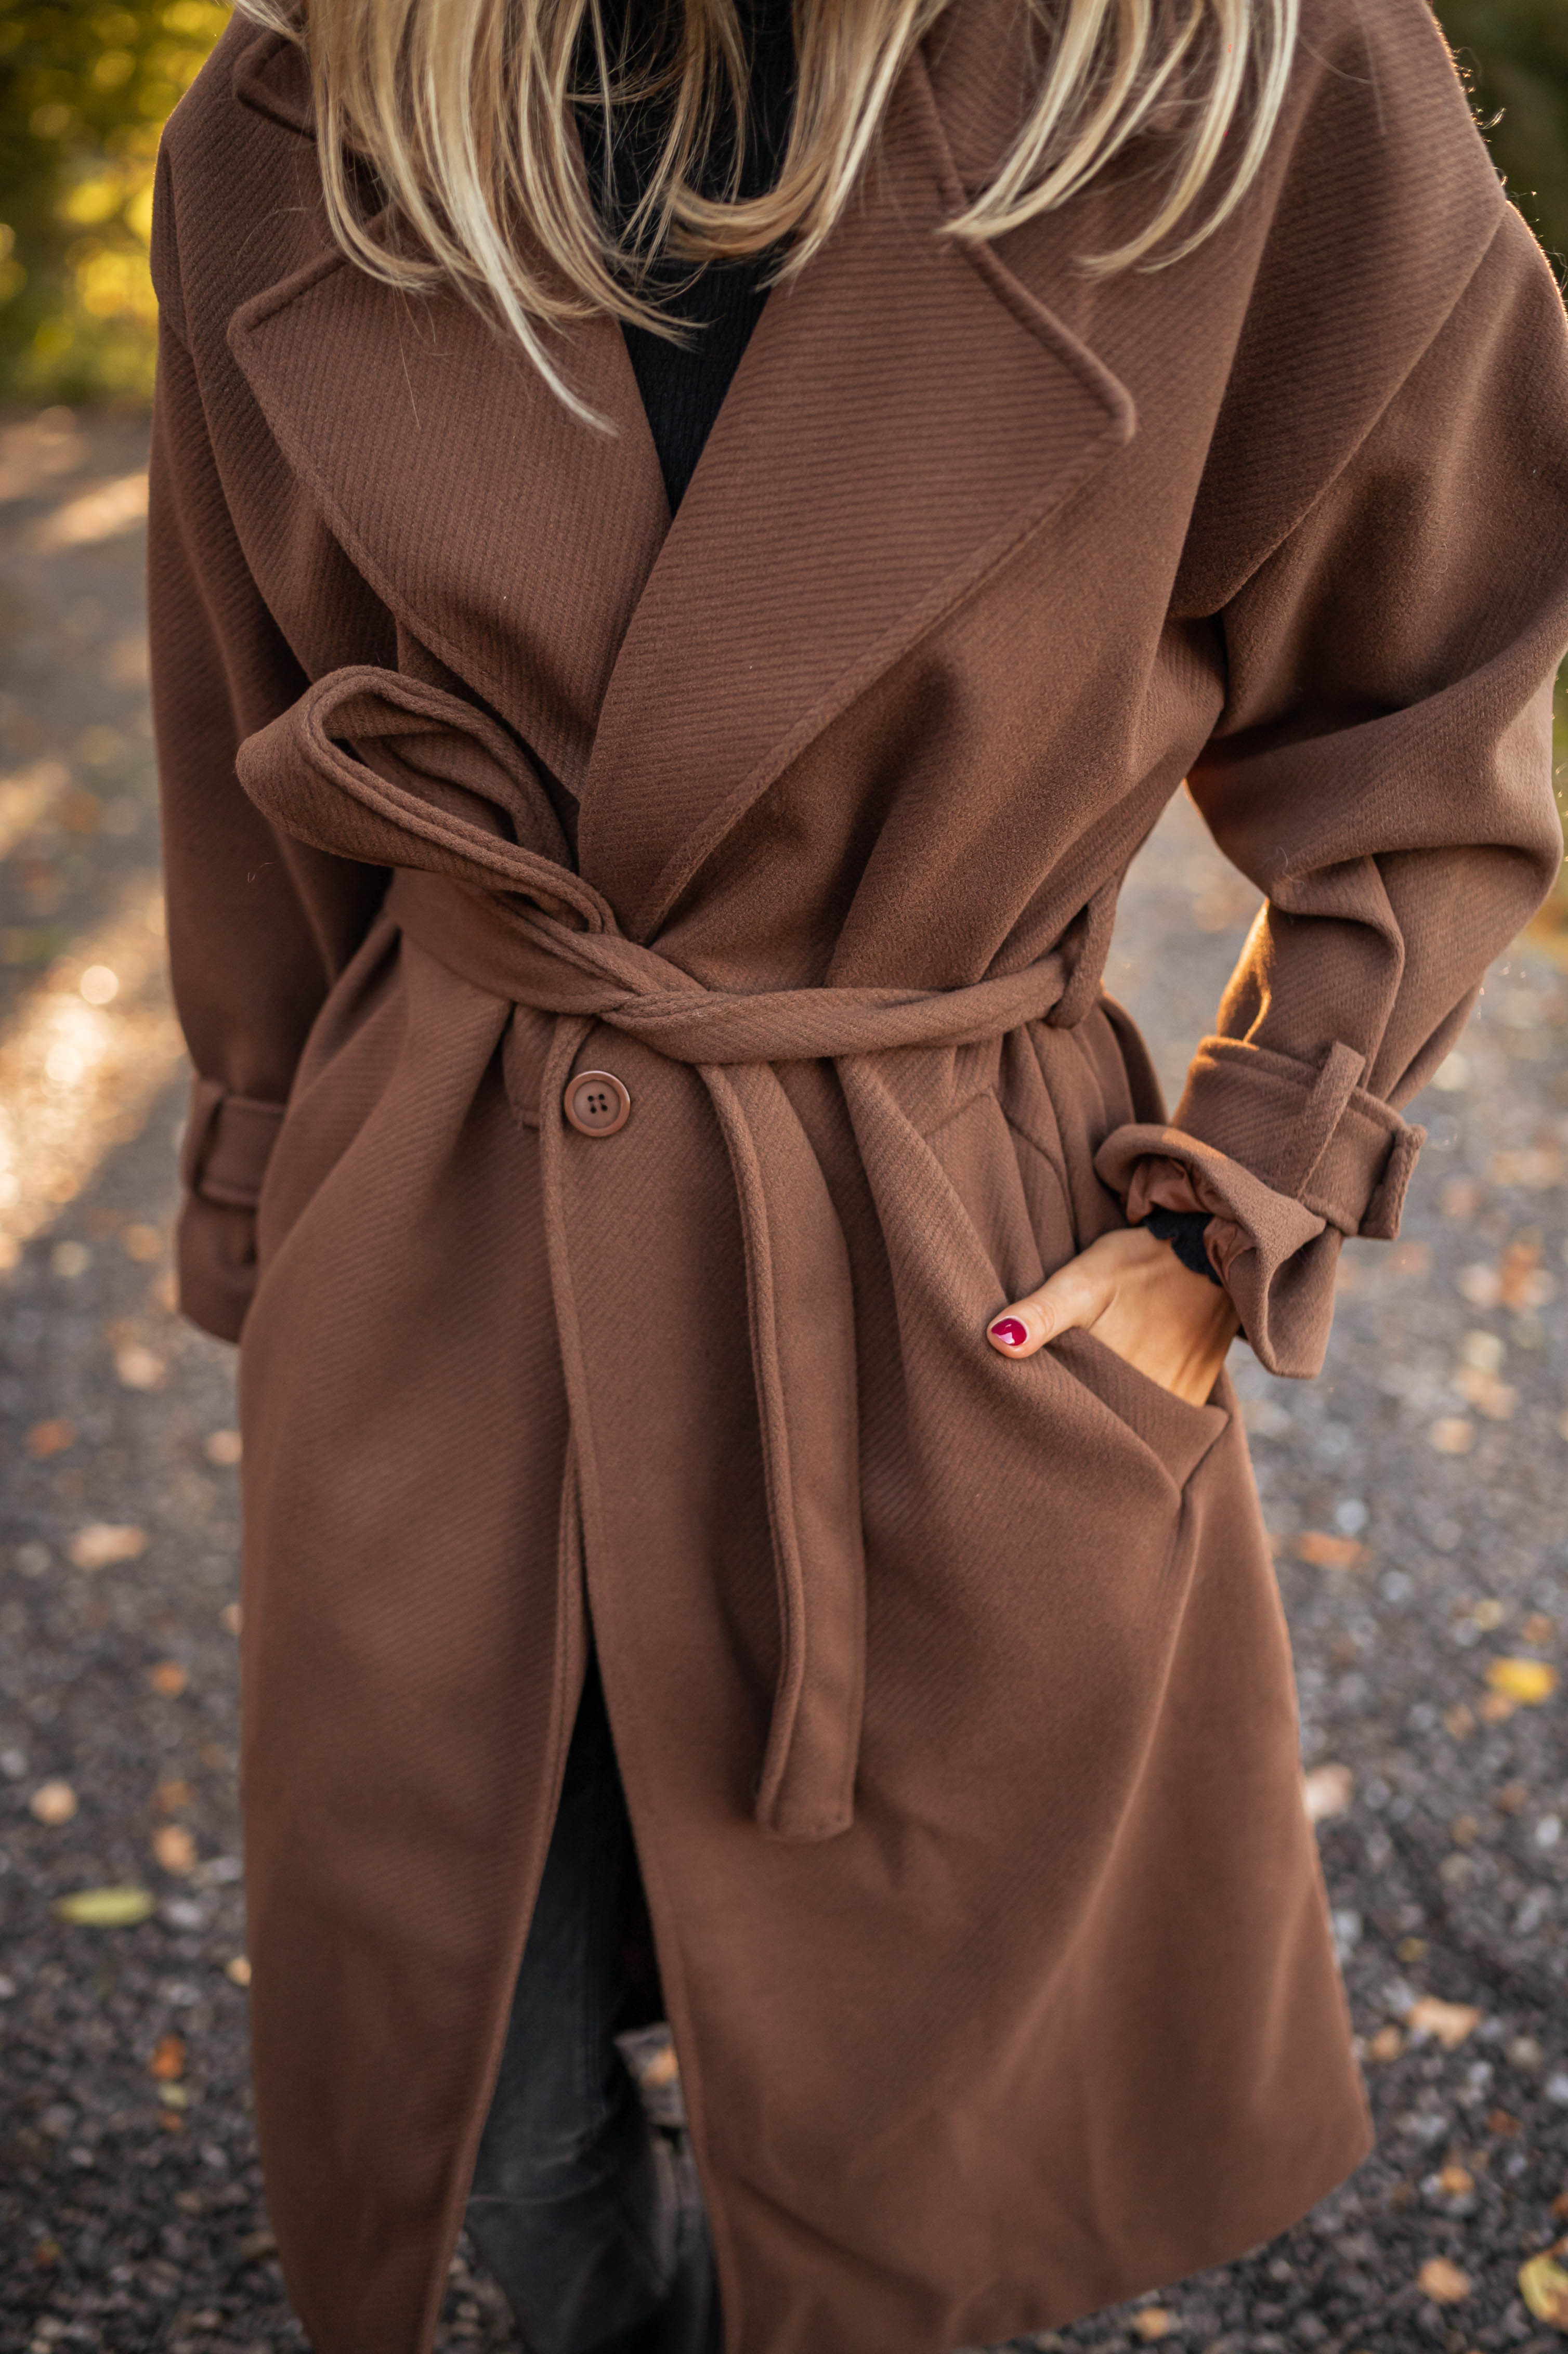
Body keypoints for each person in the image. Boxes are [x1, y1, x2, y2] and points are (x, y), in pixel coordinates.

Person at [146, 0, 1568, 2345]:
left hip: (942, 1269)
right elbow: (236, 742)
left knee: (904, 2157)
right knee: (489, 2115)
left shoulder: (1236, 70)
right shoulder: (297, 111)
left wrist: (1232, 1205)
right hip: (440, 1269)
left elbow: (1439, 689)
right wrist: (281, 1235)